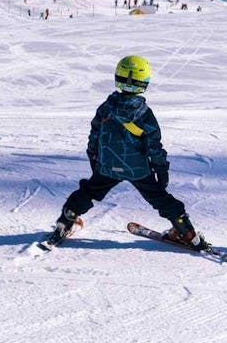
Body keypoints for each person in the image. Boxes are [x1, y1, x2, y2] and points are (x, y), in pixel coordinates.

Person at [49, 55, 207, 248]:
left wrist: (95, 159)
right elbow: (154, 146)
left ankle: (65, 221)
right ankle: (186, 232)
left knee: (88, 191)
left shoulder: (106, 108)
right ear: (144, 82)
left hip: (107, 167)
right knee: (160, 199)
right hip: (138, 170)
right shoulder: (144, 114)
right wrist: (161, 168)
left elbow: (94, 136)